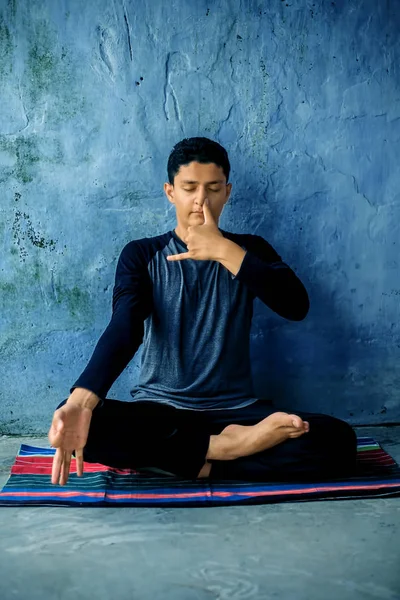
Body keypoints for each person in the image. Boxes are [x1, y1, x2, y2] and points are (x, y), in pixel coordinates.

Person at [48, 137, 357, 486]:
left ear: (226, 192)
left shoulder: (250, 250)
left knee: (339, 440)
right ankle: (222, 451)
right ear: (170, 192)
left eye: (212, 189)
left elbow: (295, 306)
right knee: (80, 419)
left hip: (238, 412)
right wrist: (82, 399)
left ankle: (191, 459)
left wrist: (225, 251)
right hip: (163, 416)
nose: (200, 200)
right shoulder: (141, 255)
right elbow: (125, 325)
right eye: (189, 188)